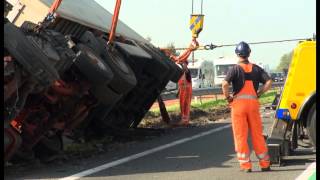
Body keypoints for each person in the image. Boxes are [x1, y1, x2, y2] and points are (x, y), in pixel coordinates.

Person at [222, 41, 272, 172]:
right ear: (249, 53)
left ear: (237, 54)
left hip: (238, 106)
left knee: (241, 135)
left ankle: (246, 165)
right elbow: (269, 81)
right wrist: (259, 93)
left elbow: (225, 84)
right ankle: (265, 163)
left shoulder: (234, 69)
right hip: (253, 105)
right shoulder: (256, 68)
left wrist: (228, 98)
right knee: (257, 134)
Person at [162, 39, 199, 126]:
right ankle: (184, 119)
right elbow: (177, 58)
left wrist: (190, 48)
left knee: (185, 105)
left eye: (184, 63)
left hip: (187, 90)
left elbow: (181, 57)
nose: (184, 64)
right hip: (182, 90)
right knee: (182, 105)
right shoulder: (180, 66)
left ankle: (185, 120)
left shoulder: (185, 69)